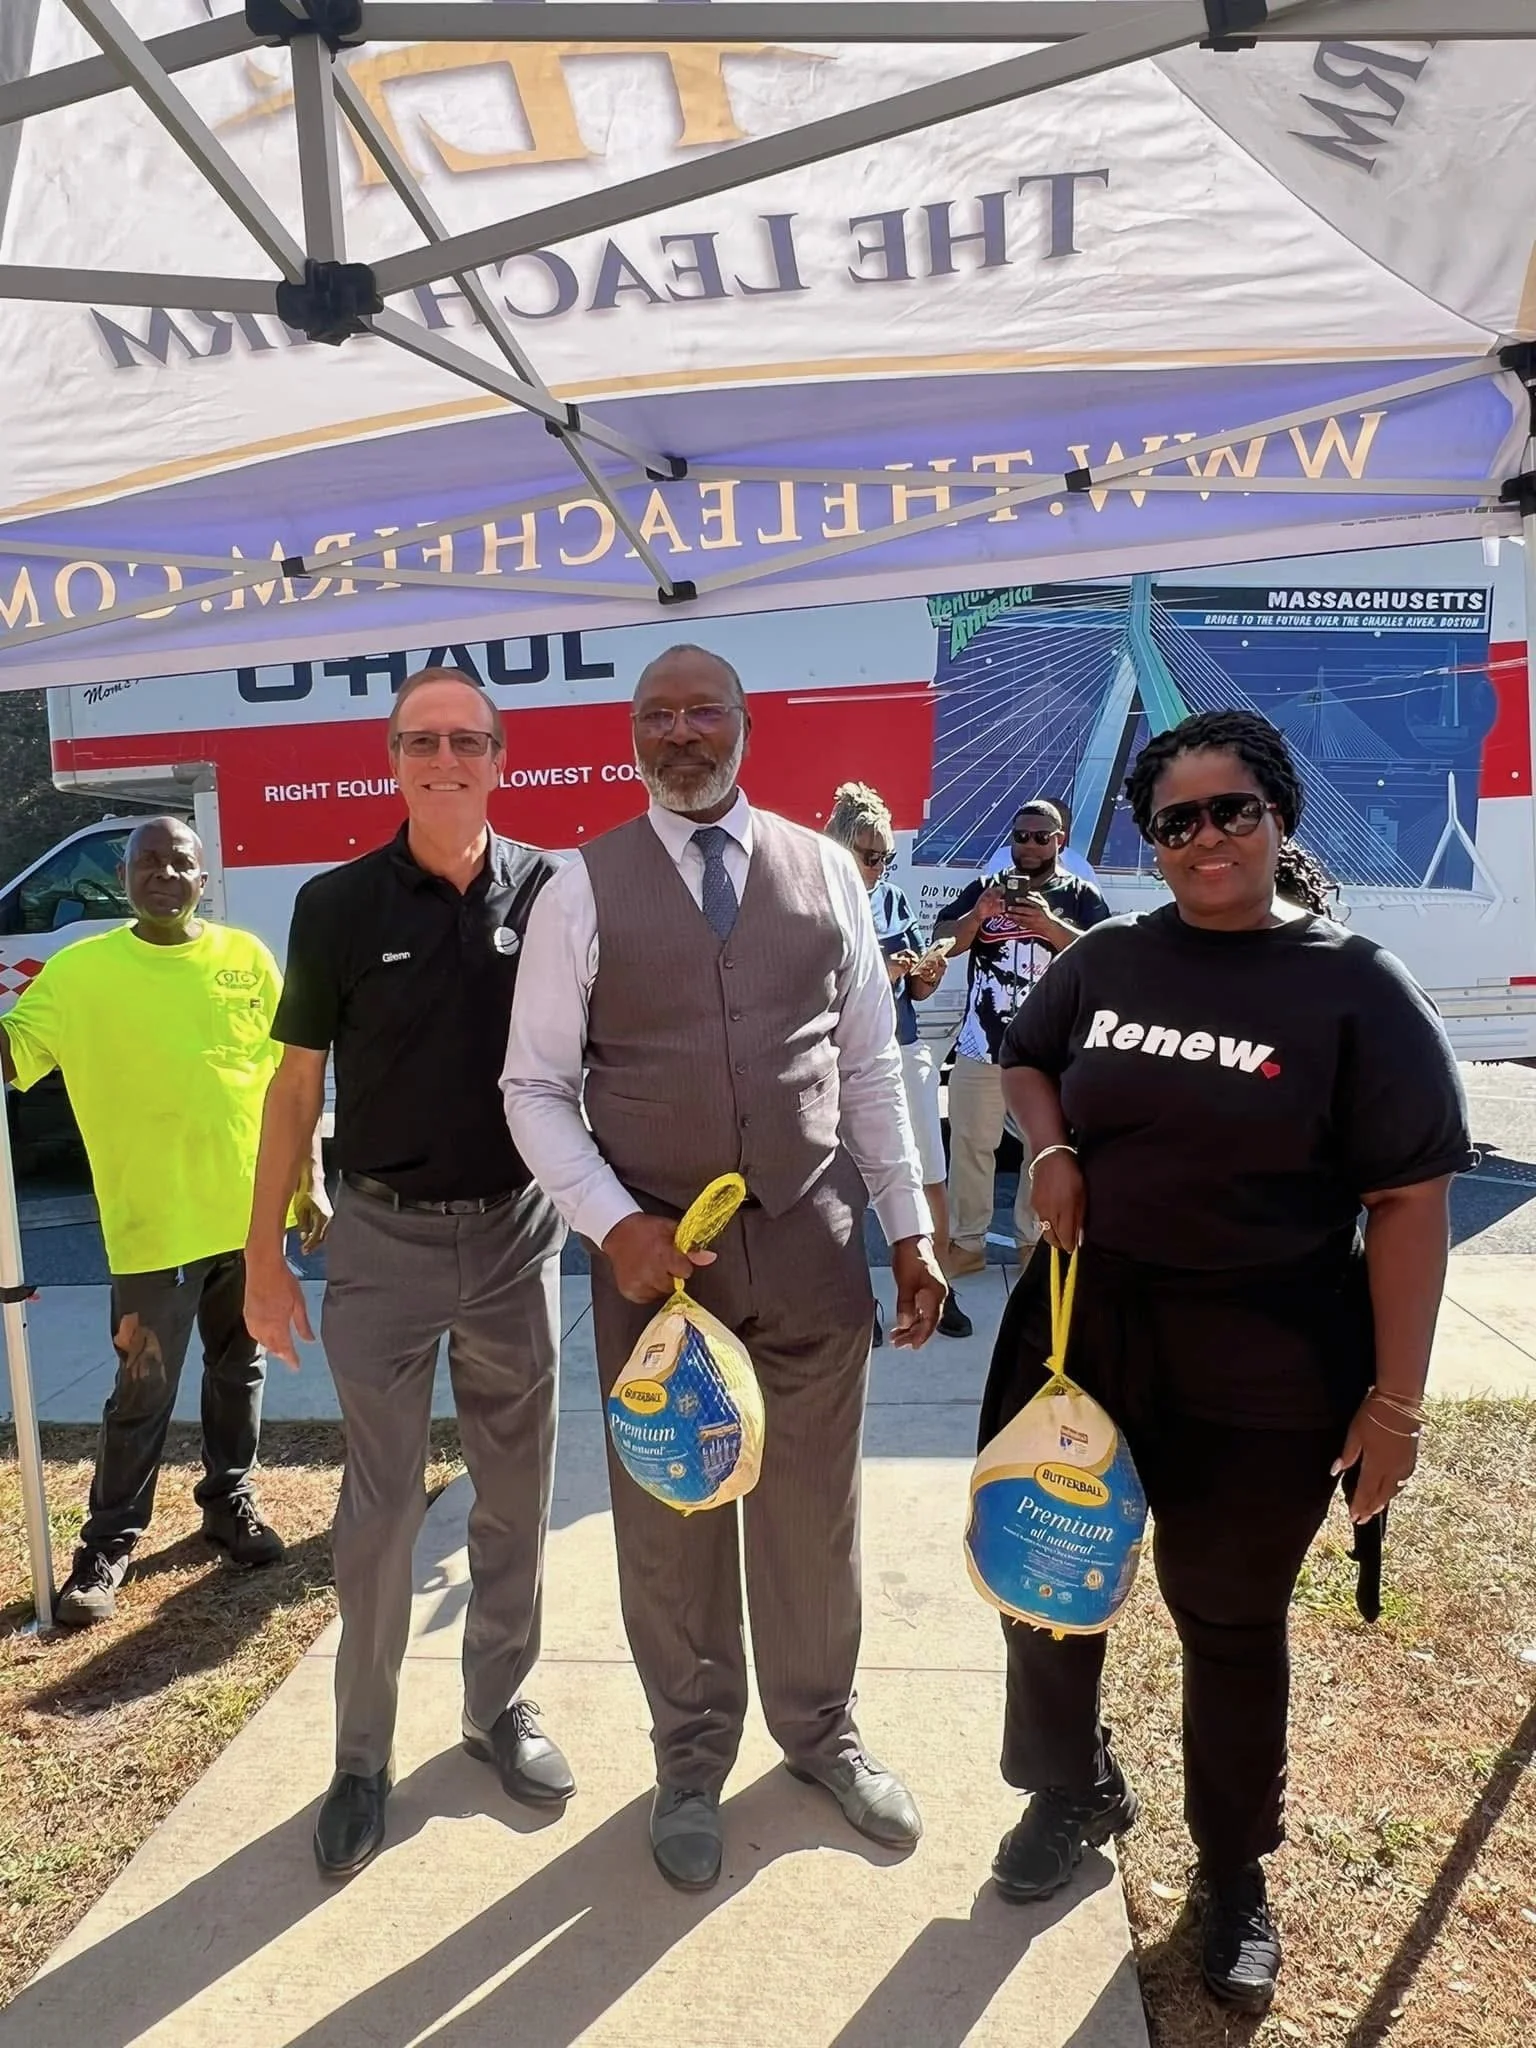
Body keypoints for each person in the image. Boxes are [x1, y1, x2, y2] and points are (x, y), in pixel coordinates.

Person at [982, 710, 1472, 2013]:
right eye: (1177, 821)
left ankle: (1234, 1872)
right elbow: (1028, 1061)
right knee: (1048, 1572)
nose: (1205, 838)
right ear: (1151, 842)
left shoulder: (1354, 987)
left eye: (1231, 811)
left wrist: (1398, 1402)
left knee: (1230, 1614)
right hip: (1086, 1323)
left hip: (1266, 1348)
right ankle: (1070, 1789)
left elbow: (1411, 1203)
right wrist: (1053, 1149)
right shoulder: (1110, 963)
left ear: (1277, 818)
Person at [503, 644, 947, 1892]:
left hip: (811, 1246)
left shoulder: (824, 870)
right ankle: (690, 1758)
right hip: (658, 1273)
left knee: (815, 1512)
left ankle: (821, 1735)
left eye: (705, 712)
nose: (682, 733)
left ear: (747, 726)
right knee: (672, 1512)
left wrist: (908, 1229)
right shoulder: (579, 886)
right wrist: (612, 1223)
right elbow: (533, 1088)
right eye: (659, 715)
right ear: (630, 733)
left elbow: (867, 1066)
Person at [243, 667, 571, 1883]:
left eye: (466, 739)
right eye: (422, 739)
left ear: (500, 754)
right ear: (393, 755)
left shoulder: (554, 891)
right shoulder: (333, 903)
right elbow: (293, 1088)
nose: (445, 757)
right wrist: (262, 1252)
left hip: (516, 1237)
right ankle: (360, 1757)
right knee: (380, 1512)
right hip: (378, 1240)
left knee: (512, 1494)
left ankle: (498, 1709)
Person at [0, 817, 323, 1627]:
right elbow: (12, 1056)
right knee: (142, 1387)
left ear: (203, 879)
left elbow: (291, 1077)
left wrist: (307, 1179)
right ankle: (107, 1545)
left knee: (238, 1369)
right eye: (149, 862)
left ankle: (227, 1500)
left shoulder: (246, 959)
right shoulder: (80, 973)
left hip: (250, 1220)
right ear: (125, 877)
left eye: (181, 862)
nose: (165, 874)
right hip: (153, 1227)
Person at [935, 801, 1109, 1278]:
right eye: (1019, 836)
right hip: (980, 1045)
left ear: (1060, 842)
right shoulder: (984, 890)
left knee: (1044, 1149)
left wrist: (1050, 926)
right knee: (970, 1146)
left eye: (1039, 837)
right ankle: (966, 1246)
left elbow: (1103, 957)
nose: (1028, 846)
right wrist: (978, 915)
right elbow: (942, 941)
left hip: (1049, 1055)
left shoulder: (1079, 895)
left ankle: (1036, 1246)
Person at [824, 782, 972, 1340]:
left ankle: (941, 1285)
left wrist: (926, 975)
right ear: (840, 847)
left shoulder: (892, 898)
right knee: (842, 1186)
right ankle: (858, 1300)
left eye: (887, 855)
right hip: (838, 1060)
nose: (881, 866)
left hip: (900, 1048)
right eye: (871, 855)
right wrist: (876, 978)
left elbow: (918, 993)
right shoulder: (814, 896)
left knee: (925, 1171)